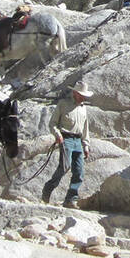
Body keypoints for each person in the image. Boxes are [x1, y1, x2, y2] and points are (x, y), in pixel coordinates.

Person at [42, 80, 92, 208]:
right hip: (66, 138)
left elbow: (85, 129)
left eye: (84, 95)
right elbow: (52, 123)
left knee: (79, 171)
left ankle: (70, 199)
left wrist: (86, 145)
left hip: (78, 141)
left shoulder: (83, 108)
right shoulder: (63, 104)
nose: (83, 97)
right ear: (75, 93)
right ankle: (48, 189)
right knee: (64, 167)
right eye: (81, 95)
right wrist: (57, 135)